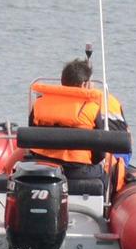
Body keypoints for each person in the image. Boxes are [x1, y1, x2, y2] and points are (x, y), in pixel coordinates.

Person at [28, 56, 129, 195]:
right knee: (107, 174)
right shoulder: (91, 108)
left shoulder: (39, 104)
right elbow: (99, 154)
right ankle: (105, 210)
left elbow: (31, 137)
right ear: (84, 85)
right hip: (77, 170)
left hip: (42, 166)